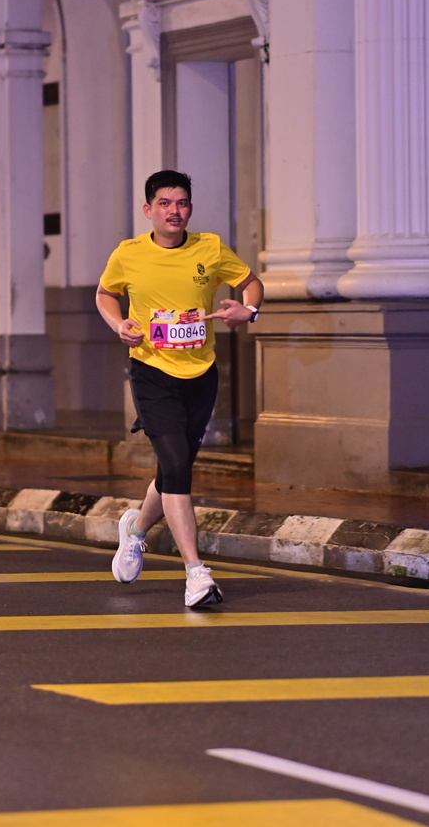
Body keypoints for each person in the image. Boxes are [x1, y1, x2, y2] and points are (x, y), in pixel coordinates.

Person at [96, 170, 264, 607]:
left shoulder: (210, 247)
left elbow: (251, 284)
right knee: (175, 463)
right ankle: (195, 573)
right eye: (165, 203)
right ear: (148, 209)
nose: (175, 211)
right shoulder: (129, 253)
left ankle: (135, 530)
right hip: (152, 372)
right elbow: (105, 294)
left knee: (176, 467)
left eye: (182, 203)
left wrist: (248, 311)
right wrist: (119, 325)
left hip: (201, 374)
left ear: (190, 208)